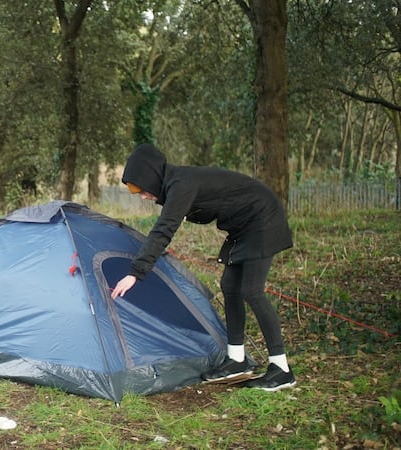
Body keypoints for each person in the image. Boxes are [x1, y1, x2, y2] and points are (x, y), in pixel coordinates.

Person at [110, 143, 296, 392]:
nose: (141, 195)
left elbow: (164, 230)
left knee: (252, 290)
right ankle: (237, 360)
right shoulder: (177, 183)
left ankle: (281, 368)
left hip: (262, 219)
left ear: (151, 177)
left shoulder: (181, 184)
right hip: (242, 227)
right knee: (230, 287)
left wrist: (136, 272)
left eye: (139, 188)